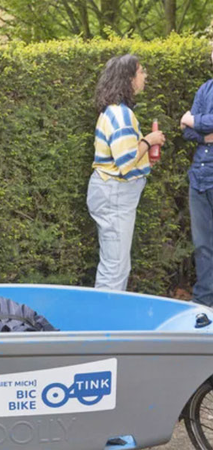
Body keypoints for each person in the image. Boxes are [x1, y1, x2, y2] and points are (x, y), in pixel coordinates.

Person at [87, 54, 166, 291]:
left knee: (116, 264)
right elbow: (125, 161)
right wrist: (149, 139)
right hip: (115, 195)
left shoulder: (112, 111)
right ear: (128, 78)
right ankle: (103, 325)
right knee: (115, 268)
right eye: (141, 71)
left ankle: (105, 322)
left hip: (111, 193)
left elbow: (124, 155)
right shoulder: (121, 115)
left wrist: (144, 161)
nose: (145, 76)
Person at [180, 46, 213, 307]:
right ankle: (203, 303)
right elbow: (185, 130)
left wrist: (194, 120)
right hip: (199, 176)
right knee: (202, 245)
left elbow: (190, 121)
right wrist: (203, 130)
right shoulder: (205, 89)